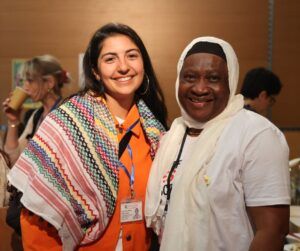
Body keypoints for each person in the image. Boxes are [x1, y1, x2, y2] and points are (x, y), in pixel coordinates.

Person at [8, 23, 167, 251]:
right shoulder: (67, 123)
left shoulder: (155, 130)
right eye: (110, 59)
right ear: (95, 70)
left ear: (143, 63)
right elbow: (37, 213)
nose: (123, 67)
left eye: (132, 56)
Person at [145, 37, 290, 250]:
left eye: (213, 78)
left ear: (229, 83)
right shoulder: (172, 137)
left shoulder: (256, 135)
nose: (200, 88)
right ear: (179, 81)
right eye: (190, 77)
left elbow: (272, 231)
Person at [3, 54, 71, 165]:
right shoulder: (36, 116)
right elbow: (13, 159)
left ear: (49, 82)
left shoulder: (66, 113)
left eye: (30, 81)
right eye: (24, 81)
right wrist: (13, 121)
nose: (25, 87)